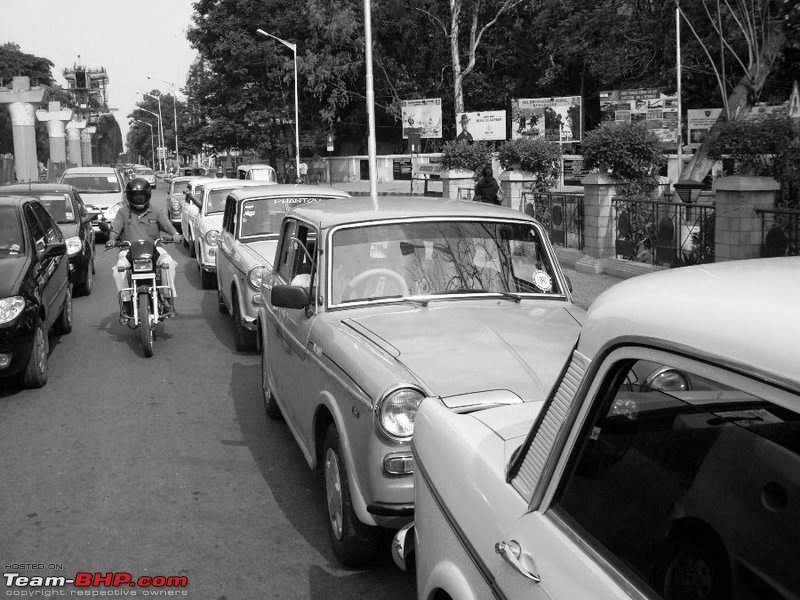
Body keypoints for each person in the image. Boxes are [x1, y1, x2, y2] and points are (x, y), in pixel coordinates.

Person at [105, 177, 182, 320]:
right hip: (128, 250)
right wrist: (111, 239)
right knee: (119, 268)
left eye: (141, 195)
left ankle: (167, 300)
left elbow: (167, 226)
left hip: (154, 248)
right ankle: (126, 303)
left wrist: (176, 235)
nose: (138, 199)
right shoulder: (122, 212)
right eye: (135, 196)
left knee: (168, 264)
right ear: (129, 196)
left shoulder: (157, 211)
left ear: (147, 195)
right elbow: (115, 229)